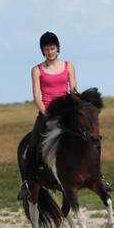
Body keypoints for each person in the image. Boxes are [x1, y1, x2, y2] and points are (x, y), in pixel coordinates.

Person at [17, 31, 77, 200]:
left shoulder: (68, 66)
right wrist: (46, 113)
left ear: (58, 48)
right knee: (33, 143)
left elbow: (72, 88)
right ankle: (28, 183)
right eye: (46, 49)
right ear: (43, 51)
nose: (50, 52)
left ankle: (98, 175)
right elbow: (36, 95)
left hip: (66, 112)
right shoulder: (37, 70)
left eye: (52, 48)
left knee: (89, 137)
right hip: (47, 112)